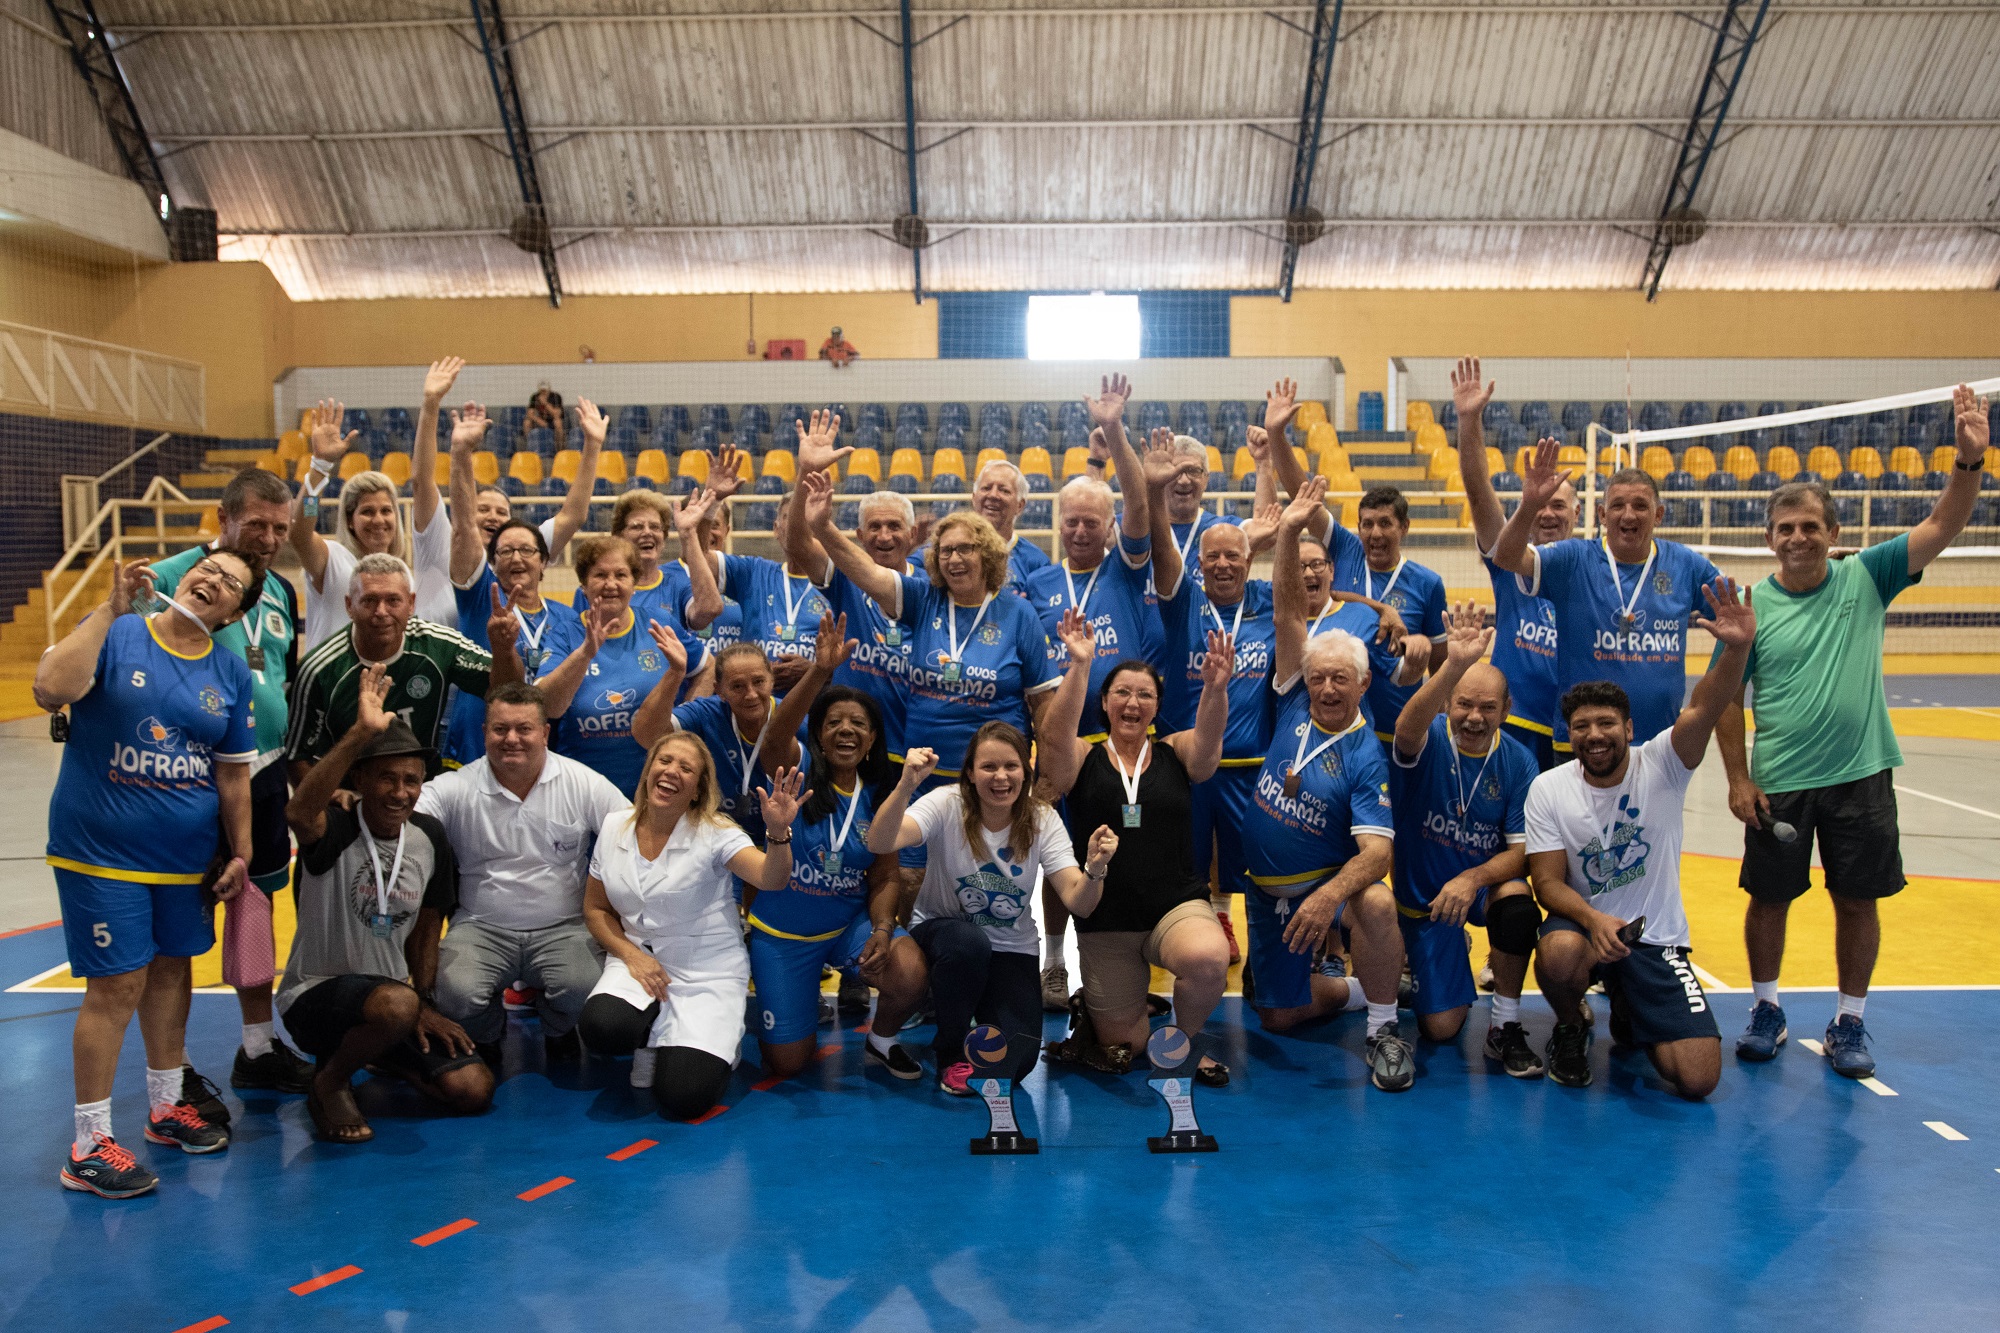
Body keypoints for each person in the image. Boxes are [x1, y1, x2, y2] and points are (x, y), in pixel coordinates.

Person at [1720, 385, 1989, 1079]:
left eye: (1811, 526)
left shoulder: (1867, 576)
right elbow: (1724, 697)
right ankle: (1766, 1008)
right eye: (1786, 528)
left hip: (1860, 773)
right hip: (1778, 780)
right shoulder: (1751, 606)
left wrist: (1969, 462)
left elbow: (1944, 524)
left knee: (1857, 898)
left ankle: (1849, 1020)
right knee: (1769, 898)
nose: (1799, 537)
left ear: (1833, 534)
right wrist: (1738, 776)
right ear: (1769, 537)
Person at [38, 552, 262, 1197]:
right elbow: (51, 688)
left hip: (185, 859)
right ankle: (88, 1145)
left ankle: (167, 1107)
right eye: (210, 568)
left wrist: (239, 852)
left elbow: (233, 774)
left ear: (235, 613)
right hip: (99, 852)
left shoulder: (228, 670)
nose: (213, 580)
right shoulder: (118, 629)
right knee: (117, 985)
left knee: (171, 971)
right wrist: (109, 609)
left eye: (231, 584)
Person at [1526, 577, 1756, 1098]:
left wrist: (1736, 650)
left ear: (1629, 729)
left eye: (1606, 723)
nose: (1594, 735)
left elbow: (1705, 703)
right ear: (1568, 736)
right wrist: (1593, 920)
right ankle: (1571, 1023)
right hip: (1588, 930)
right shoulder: (1548, 788)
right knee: (1559, 953)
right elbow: (1547, 883)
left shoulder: (1664, 765)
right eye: (1581, 727)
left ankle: (1629, 1007)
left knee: (1697, 1080)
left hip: (1655, 936)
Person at [148, 468, 314, 1096]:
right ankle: (175, 1068)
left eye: (280, 527)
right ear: (224, 519)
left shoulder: (279, 590)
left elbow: (281, 680)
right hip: (185, 779)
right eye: (257, 526)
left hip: (262, 770)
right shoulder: (173, 579)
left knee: (254, 905)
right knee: (181, 923)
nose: (270, 538)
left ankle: (258, 1045)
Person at [1240, 480, 1410, 1092]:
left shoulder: (1366, 754)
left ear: (1363, 685)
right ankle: (1357, 989)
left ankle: (1384, 1025)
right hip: (1263, 892)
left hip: (1313, 892)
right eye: (1320, 678)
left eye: (1341, 679)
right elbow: (1288, 611)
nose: (1328, 689)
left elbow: (1378, 854)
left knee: (1378, 899)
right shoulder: (1293, 705)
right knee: (1277, 1018)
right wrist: (1287, 533)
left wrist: (1324, 899)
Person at [280, 674, 493, 1142]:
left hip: (393, 1002)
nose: (401, 792)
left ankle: (376, 1051)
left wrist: (427, 1003)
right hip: (317, 995)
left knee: (472, 1090)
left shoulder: (429, 836)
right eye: (387, 778)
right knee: (396, 1004)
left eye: (412, 780)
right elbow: (297, 813)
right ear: (359, 778)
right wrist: (359, 733)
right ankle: (329, 1082)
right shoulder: (335, 827)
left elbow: (426, 929)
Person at [1038, 609, 1235, 1083]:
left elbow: (1209, 744)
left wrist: (1215, 688)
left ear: (1155, 707)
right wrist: (1080, 667)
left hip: (1174, 908)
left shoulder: (1175, 752)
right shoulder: (1082, 757)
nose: (1132, 702)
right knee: (1123, 1048)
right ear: (1104, 703)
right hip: (1105, 918)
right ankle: (1104, 1016)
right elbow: (1051, 735)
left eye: (1144, 694)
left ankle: (1183, 1044)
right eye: (1122, 693)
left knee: (1208, 960)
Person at [866, 726, 1118, 1095]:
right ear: (970, 772)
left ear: (1025, 772)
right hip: (943, 935)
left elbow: (1078, 901)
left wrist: (1095, 869)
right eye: (989, 767)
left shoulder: (1043, 819)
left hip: (1011, 948)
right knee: (967, 944)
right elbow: (879, 840)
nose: (1001, 777)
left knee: (1016, 1060)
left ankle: (976, 1005)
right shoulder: (946, 802)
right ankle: (951, 1048)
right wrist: (905, 786)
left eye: (1011, 766)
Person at [577, 734, 808, 1119]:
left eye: (686, 768)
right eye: (663, 761)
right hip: (640, 962)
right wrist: (631, 956)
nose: (671, 771)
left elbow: (772, 879)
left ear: (699, 790)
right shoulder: (614, 826)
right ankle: (650, 1040)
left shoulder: (717, 833)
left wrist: (778, 834)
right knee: (602, 1028)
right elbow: (595, 910)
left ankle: (715, 1046)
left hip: (707, 971)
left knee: (683, 1098)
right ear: (648, 770)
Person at [418, 682, 629, 1068]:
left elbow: (633, 833)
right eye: (500, 729)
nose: (511, 739)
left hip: (564, 926)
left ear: (545, 733)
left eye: (524, 729)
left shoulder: (582, 782)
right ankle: (486, 1033)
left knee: (587, 989)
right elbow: (402, 817)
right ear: (484, 733)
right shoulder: (455, 788)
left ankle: (558, 1029)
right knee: (453, 994)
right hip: (481, 926)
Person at [806, 471, 1059, 792]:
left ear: (989, 554)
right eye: (946, 551)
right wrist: (822, 528)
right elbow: (868, 572)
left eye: (966, 549)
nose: (954, 559)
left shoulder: (1019, 613)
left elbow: (1044, 703)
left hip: (995, 779)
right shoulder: (922, 599)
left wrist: (1047, 775)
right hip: (922, 778)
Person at [1491, 438, 1725, 756]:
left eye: (1640, 506)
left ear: (1658, 514)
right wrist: (1529, 505)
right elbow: (1506, 558)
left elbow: (1735, 616)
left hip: (1660, 749)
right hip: (1583, 745)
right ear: (1602, 513)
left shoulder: (1686, 564)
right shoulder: (1573, 559)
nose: (1628, 515)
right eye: (1617, 506)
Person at [745, 686, 930, 1080]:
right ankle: (788, 1001)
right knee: (789, 1065)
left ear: (873, 739)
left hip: (847, 928)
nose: (846, 730)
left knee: (909, 970)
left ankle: (881, 1041)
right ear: (817, 734)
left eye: (858, 724)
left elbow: (884, 874)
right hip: (784, 937)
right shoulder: (796, 772)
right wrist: (821, 671)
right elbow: (775, 737)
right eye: (834, 722)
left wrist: (882, 927)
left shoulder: (881, 792)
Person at [1389, 605, 1543, 1076]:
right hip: (1426, 903)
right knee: (1439, 1028)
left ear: (1507, 710)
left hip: (1474, 889)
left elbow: (1521, 853)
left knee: (1517, 902)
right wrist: (1452, 664)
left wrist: (1471, 878)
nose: (1474, 718)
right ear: (1447, 703)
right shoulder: (1429, 738)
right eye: (1463, 704)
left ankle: (1504, 1023)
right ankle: (1439, 957)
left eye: (1488, 708)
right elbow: (1404, 729)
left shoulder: (1518, 762)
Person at [287, 554, 524, 783]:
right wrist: (332, 798)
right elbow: (296, 757)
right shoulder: (319, 670)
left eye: (393, 600)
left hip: (423, 791)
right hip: (349, 799)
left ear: (411, 604)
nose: (381, 612)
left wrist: (504, 650)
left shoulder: (438, 645)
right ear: (349, 605)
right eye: (369, 601)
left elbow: (508, 691)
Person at [1452, 357, 1574, 771]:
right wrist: (1470, 422)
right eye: (1539, 504)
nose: (1547, 513)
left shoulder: (1591, 570)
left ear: (1577, 514)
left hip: (1571, 733)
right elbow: (1478, 489)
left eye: (1558, 504)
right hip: (1510, 726)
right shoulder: (1510, 563)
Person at [643, 613, 851, 849]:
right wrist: (675, 673)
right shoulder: (708, 713)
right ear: (719, 690)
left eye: (758, 682)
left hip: (781, 839)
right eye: (737, 686)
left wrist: (821, 670)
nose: (751, 694)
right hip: (713, 836)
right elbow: (648, 735)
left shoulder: (798, 724)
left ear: (772, 681)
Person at [782, 415, 920, 761]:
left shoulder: (930, 587)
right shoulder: (844, 577)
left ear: (913, 535)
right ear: (859, 536)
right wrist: (805, 473)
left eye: (894, 526)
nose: (884, 536)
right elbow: (798, 544)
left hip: (914, 747)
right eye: (874, 527)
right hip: (852, 750)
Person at [292, 366, 457, 648]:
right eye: (367, 511)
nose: (378, 520)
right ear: (350, 519)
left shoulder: (403, 577)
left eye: (386, 510)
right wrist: (319, 467)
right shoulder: (332, 560)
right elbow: (299, 533)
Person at [543, 536, 693, 794]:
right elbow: (547, 706)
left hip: (652, 789)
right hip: (582, 790)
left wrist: (683, 720)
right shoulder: (564, 634)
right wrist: (584, 655)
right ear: (584, 584)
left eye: (621, 575)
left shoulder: (657, 623)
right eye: (600, 575)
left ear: (634, 583)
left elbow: (707, 667)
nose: (611, 584)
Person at [447, 391, 601, 560]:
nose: (493, 517)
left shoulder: (528, 548)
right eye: (483, 509)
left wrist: (593, 444)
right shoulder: (454, 556)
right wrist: (461, 450)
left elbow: (572, 516)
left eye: (502, 512)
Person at [913, 457, 1052, 599]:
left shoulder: (1036, 561)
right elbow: (899, 579)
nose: (993, 495)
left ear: (1020, 505)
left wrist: (1025, 611)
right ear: (974, 498)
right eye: (986, 488)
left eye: (1004, 490)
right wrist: (908, 546)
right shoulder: (942, 551)